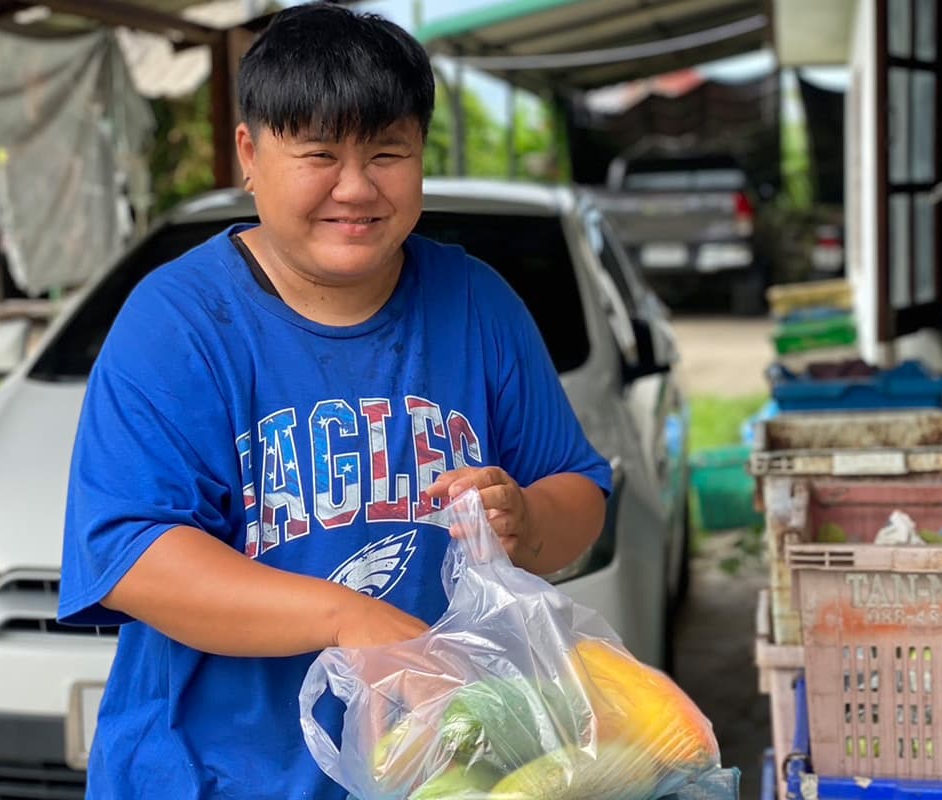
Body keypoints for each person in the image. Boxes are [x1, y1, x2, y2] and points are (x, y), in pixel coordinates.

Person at [57, 3, 612, 798]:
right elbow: (130, 556)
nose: (356, 188)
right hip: (212, 776)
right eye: (319, 153)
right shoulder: (177, 321)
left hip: (442, 773)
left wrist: (526, 517)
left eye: (389, 152)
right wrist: (348, 619)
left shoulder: (476, 303)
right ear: (250, 153)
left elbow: (580, 492)